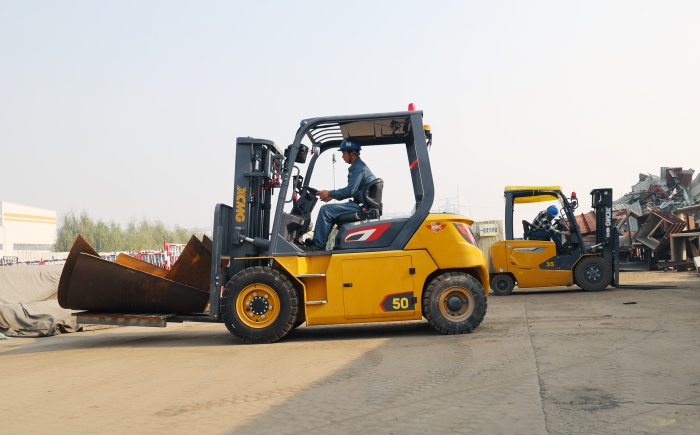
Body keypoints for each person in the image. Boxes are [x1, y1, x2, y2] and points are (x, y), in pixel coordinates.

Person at [307, 138, 376, 251]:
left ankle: (318, 245)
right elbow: (353, 191)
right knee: (329, 210)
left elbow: (350, 191)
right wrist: (331, 195)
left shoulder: (359, 168)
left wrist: (330, 193)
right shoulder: (358, 167)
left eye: (344, 153)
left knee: (326, 210)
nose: (342, 156)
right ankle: (319, 242)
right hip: (360, 204)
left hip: (361, 207)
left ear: (352, 153)